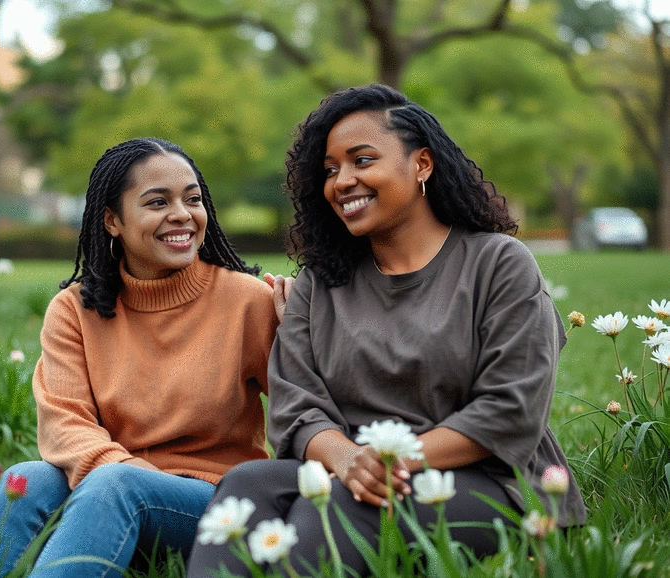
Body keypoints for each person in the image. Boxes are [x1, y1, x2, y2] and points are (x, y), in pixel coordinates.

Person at [186, 84, 587, 577]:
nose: (342, 181)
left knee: (335, 506)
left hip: (488, 480)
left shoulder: (498, 264)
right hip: (356, 472)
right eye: (331, 170)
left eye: (362, 160)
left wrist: (384, 462)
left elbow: (510, 409)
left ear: (422, 164)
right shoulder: (322, 282)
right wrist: (349, 458)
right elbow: (296, 408)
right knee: (249, 484)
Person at [0, 137, 279, 577]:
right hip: (106, 493)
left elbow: (302, 407)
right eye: (157, 202)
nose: (182, 214)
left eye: (193, 198)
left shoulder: (247, 301)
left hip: (216, 504)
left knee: (115, 485)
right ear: (112, 221)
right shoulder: (75, 310)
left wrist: (304, 329)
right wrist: (127, 477)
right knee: (28, 479)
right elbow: (66, 426)